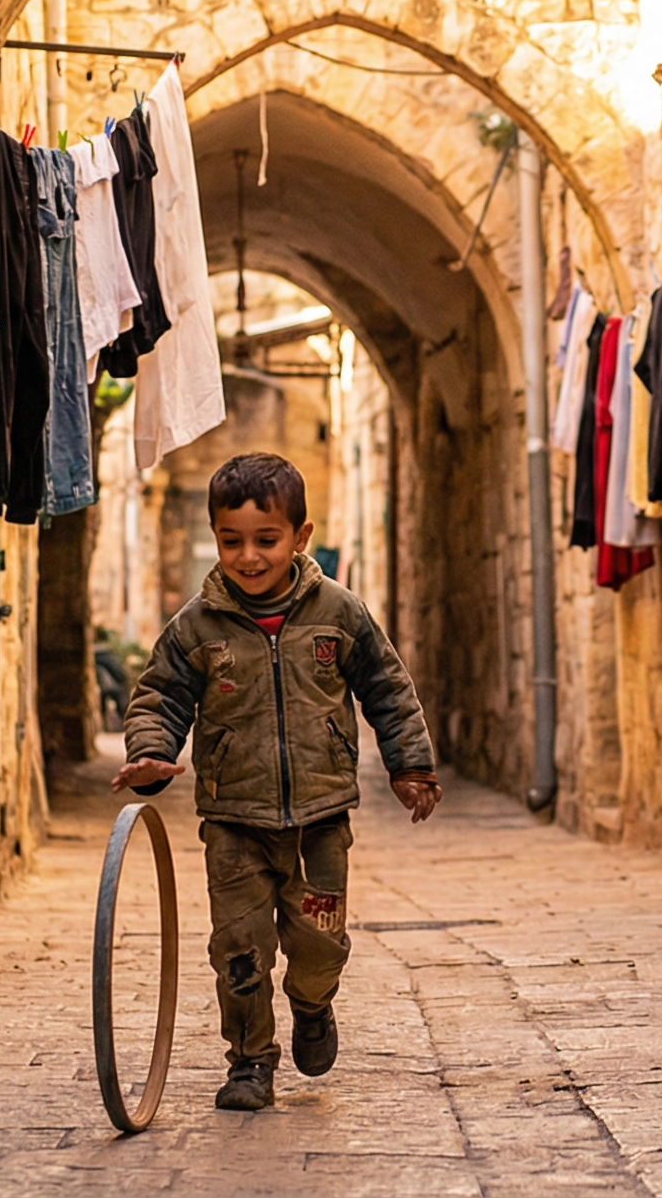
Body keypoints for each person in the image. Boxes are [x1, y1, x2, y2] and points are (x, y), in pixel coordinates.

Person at [112, 452, 443, 1111]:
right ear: (215, 537)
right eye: (231, 541)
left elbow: (388, 689)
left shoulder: (339, 613)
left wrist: (410, 766)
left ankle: (312, 1005)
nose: (250, 556)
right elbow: (159, 699)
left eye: (267, 540)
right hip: (234, 822)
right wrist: (151, 754)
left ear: (300, 537)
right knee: (239, 950)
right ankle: (250, 1063)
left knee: (320, 944)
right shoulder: (196, 628)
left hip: (321, 822)